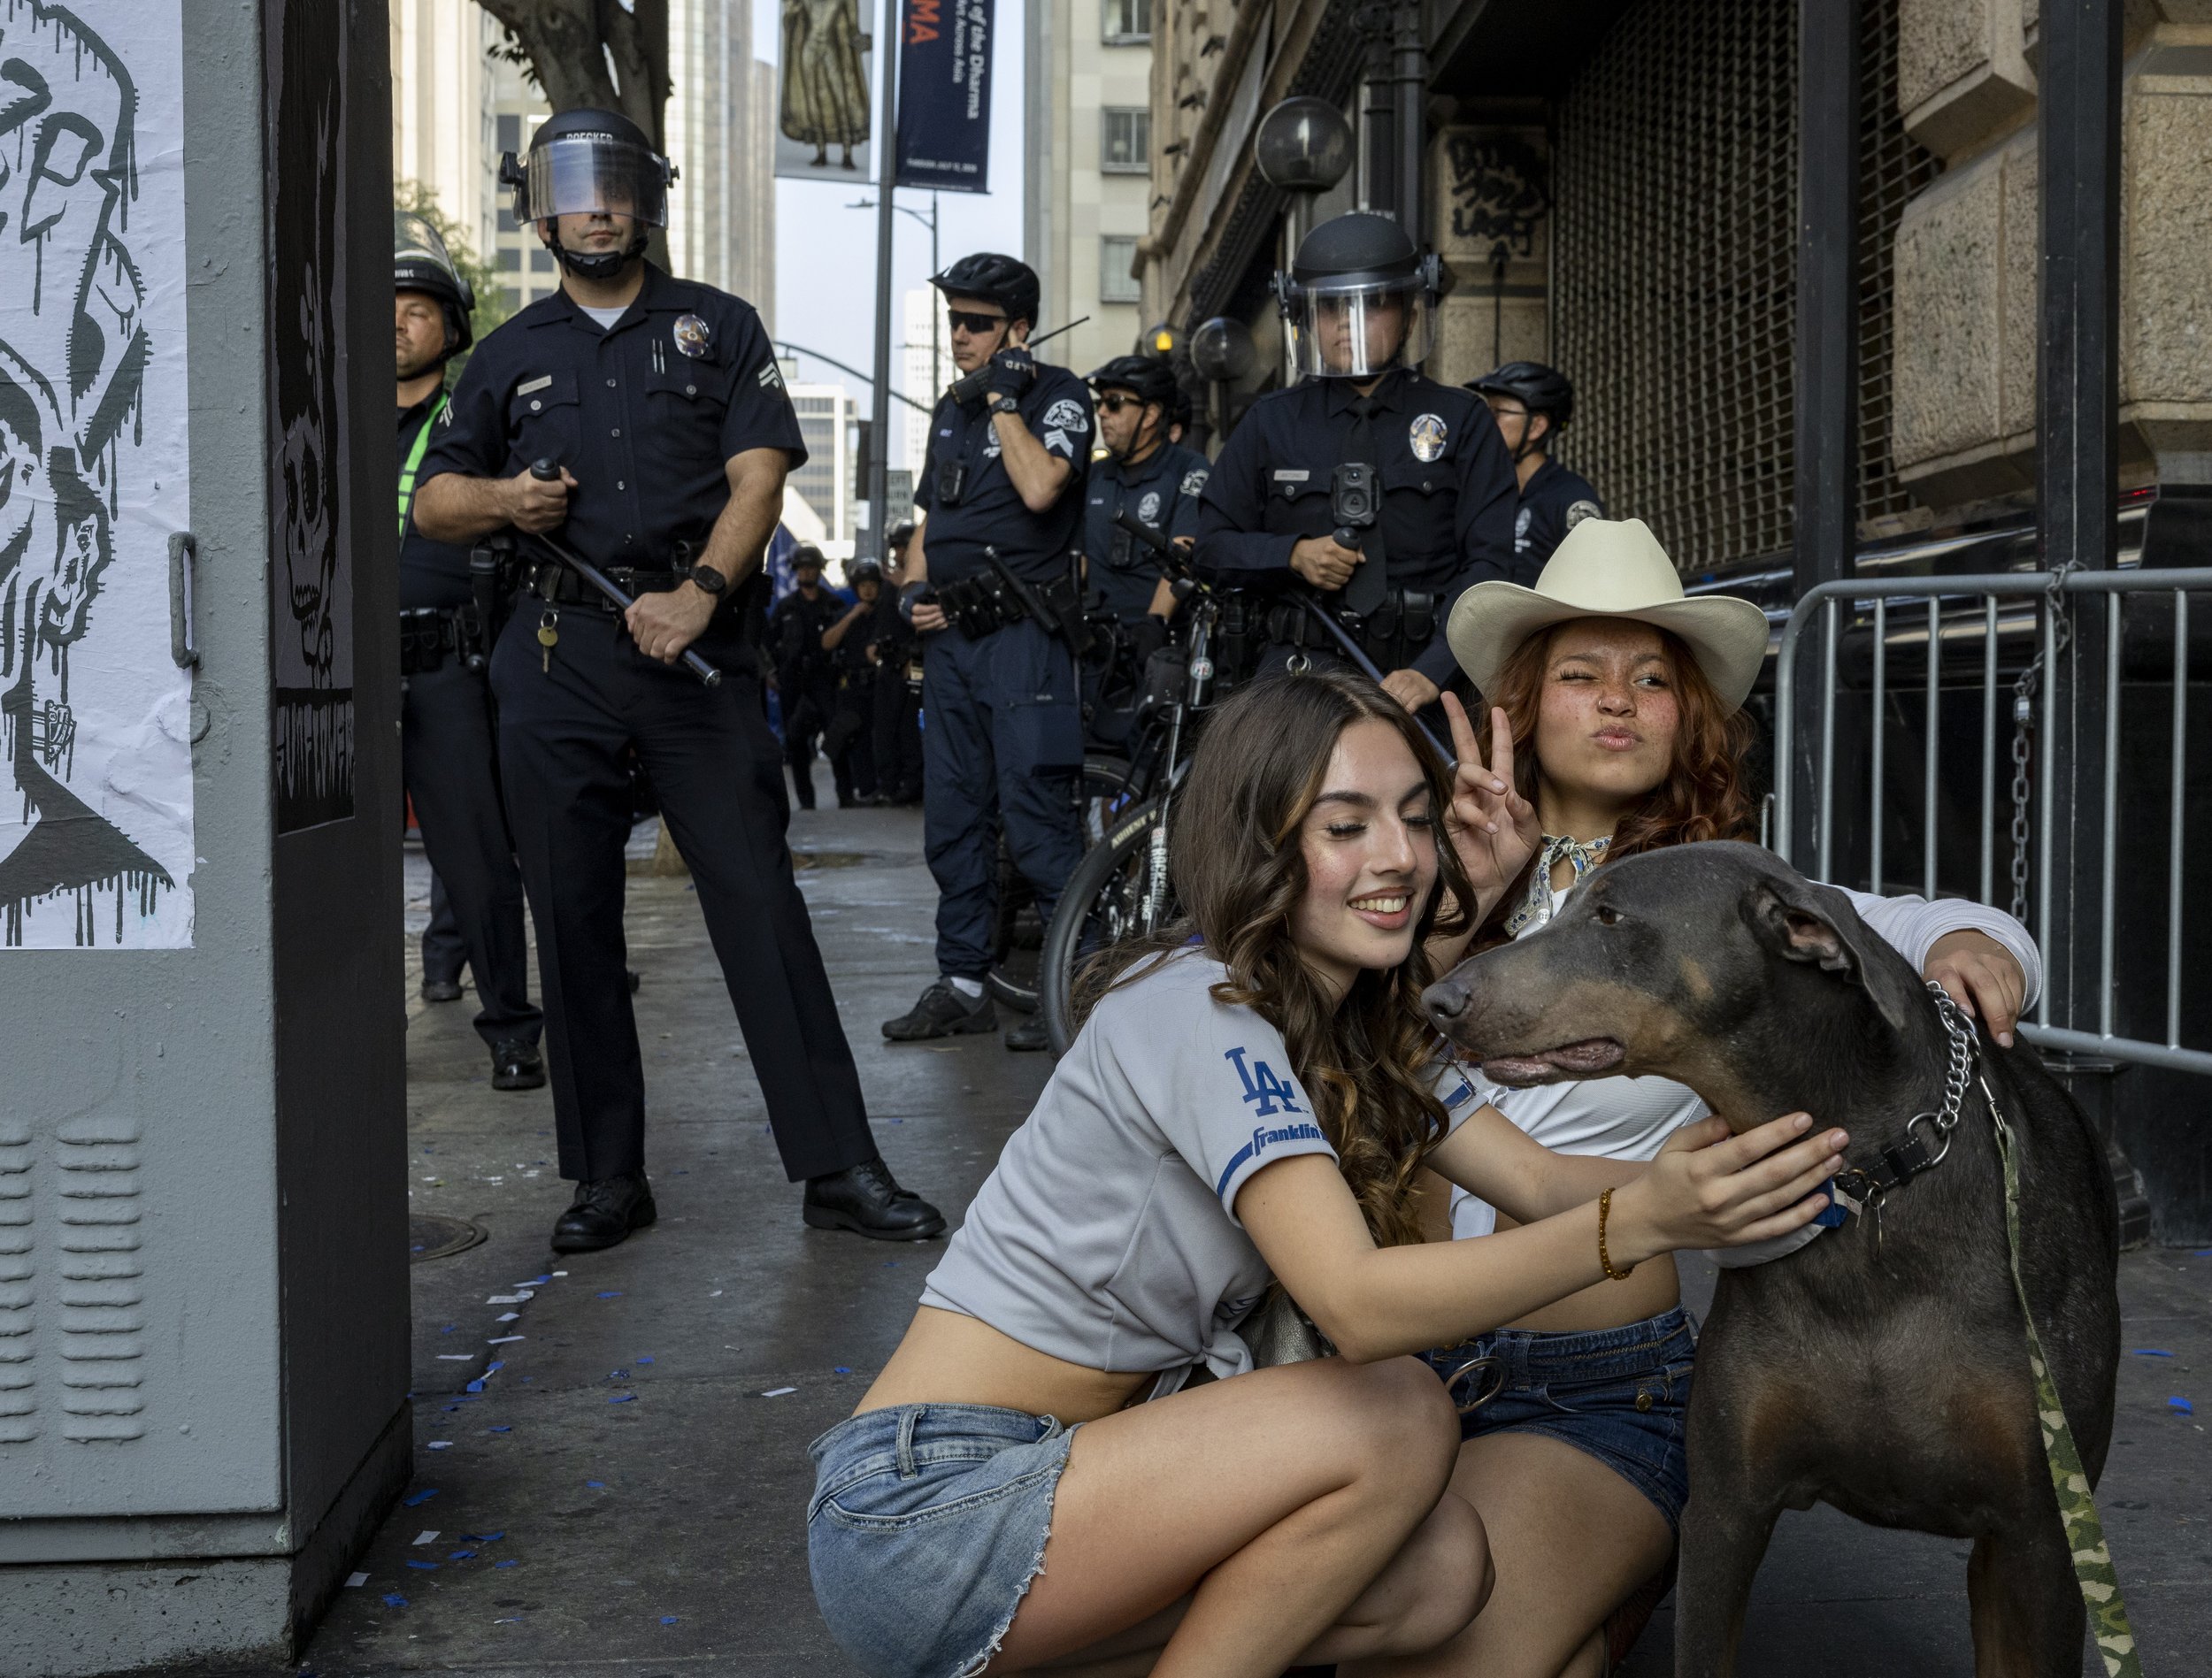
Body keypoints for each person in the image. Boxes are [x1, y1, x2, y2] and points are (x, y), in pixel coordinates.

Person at [805, 670, 1853, 1676]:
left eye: (1411, 815)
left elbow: (1533, 1179)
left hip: (1077, 1488)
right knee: (1391, 1410)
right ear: (1257, 845)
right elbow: (1355, 1305)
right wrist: (1641, 1222)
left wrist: (1710, 1181)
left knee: (1440, 1575)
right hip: (932, 1507)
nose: (1398, 856)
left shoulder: (1353, 1020)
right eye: (1345, 827)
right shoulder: (1200, 1005)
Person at [1386, 515, 2041, 1678]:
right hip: (1384, 1356)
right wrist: (1451, 911)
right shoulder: (1409, 880)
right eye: (1581, 676)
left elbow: (1920, 921)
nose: (1621, 700)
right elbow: (1317, 1067)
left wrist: (1976, 950)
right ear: (1524, 706)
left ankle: (1585, 1583)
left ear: (1691, 716)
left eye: (1654, 678)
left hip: (1584, 1386)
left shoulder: (1726, 918)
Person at [412, 107, 941, 1251]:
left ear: (647, 197)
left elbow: (760, 476)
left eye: (614, 183)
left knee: (759, 901)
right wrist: (511, 501)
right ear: (538, 206)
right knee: (575, 917)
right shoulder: (507, 354)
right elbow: (435, 502)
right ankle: (607, 1176)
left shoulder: (719, 327)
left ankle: (839, 1164)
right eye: (571, 184)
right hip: (557, 662)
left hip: (697, 650)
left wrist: (700, 591)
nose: (595, 204)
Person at [879, 254, 1094, 1054]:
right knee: (956, 816)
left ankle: (1079, 985)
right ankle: (963, 983)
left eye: (975, 323)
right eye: (954, 322)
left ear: (1018, 329)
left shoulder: (1059, 397)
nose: (959, 336)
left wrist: (1007, 398)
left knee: (1037, 816)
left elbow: (1042, 490)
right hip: (953, 643)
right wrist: (910, 592)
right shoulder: (950, 410)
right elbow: (929, 527)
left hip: (1023, 638)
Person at [1196, 211, 1518, 719]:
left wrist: (1433, 670)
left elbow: (1489, 568)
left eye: (1369, 307)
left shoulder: (1462, 420)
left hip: (1422, 678)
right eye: (1329, 310)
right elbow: (1210, 545)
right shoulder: (1270, 422)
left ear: (1410, 314)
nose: (1346, 324)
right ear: (1305, 320)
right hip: (1299, 679)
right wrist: (1293, 554)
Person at [393, 211, 545, 1089]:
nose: (398, 322)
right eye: (386, 307)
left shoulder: (475, 420)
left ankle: (512, 1029)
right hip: (342, 680)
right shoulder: (329, 416)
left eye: (418, 308)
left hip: (450, 671)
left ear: (452, 327)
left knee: (479, 858)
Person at [1081, 353, 1210, 646]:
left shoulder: (1189, 468)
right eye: (1099, 403)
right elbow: (1080, 560)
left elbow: (1184, 553)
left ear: (1150, 414)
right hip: (1096, 642)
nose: (1102, 412)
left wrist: (1154, 624)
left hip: (1159, 643)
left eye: (1113, 403)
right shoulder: (1095, 474)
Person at [1468, 363, 1603, 575]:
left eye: (1497, 413)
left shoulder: (1570, 498)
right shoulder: (1483, 491)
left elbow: (1592, 583)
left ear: (1536, 427)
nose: (1485, 422)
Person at [770, 543, 848, 808]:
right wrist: (771, 673)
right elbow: (769, 642)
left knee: (836, 738)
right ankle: (806, 802)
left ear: (819, 570)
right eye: (802, 568)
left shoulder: (833, 603)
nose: (806, 573)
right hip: (793, 681)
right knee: (795, 742)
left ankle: (846, 796)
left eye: (811, 568)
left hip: (825, 679)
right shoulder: (785, 607)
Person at [867, 520, 926, 805]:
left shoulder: (920, 579)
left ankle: (912, 784)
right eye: (899, 547)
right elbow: (884, 622)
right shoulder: (889, 584)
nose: (900, 552)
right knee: (886, 727)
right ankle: (890, 784)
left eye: (905, 546)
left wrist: (913, 657)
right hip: (889, 664)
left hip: (912, 664)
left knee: (910, 727)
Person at [822, 557, 884, 802]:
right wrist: (852, 617)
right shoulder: (845, 613)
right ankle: (852, 791)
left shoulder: (884, 614)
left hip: (878, 684)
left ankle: (875, 788)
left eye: (872, 584)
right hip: (852, 686)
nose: (868, 589)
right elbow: (827, 643)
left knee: (878, 738)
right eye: (863, 584)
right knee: (848, 736)